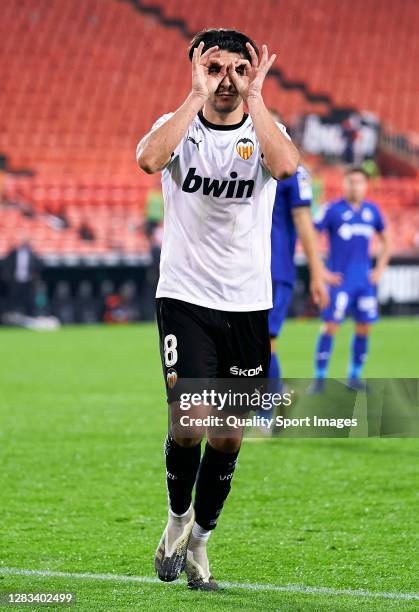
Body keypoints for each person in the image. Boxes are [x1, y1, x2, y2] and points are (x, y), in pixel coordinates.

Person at [136, 28, 299, 590]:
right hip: (184, 297)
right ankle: (177, 518)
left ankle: (200, 542)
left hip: (247, 304)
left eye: (237, 68)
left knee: (228, 437)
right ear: (196, 69)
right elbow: (147, 158)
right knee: (190, 425)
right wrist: (193, 96)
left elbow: (285, 168)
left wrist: (258, 99)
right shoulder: (176, 127)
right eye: (215, 67)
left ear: (251, 73)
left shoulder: (264, 130)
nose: (226, 78)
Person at [256, 133, 329, 427]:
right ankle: (280, 393)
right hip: (239, 268)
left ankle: (265, 415)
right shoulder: (241, 164)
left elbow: (304, 221)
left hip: (275, 269)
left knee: (264, 343)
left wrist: (316, 272)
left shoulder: (294, 173)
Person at [311, 167, 390, 392]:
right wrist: (321, 271)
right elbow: (311, 236)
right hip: (339, 281)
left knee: (364, 327)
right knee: (330, 327)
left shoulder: (372, 211)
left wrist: (380, 269)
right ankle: (320, 378)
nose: (354, 186)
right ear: (344, 184)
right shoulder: (332, 210)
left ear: (366, 186)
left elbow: (386, 241)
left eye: (358, 182)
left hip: (364, 284)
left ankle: (354, 377)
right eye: (350, 182)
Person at [1, 239, 42, 316]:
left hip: (28, 281)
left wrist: (34, 275)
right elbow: (7, 265)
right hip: (15, 281)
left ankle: (30, 315)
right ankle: (11, 315)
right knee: (13, 299)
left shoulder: (32, 254)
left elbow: (39, 265)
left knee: (29, 299)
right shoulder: (14, 253)